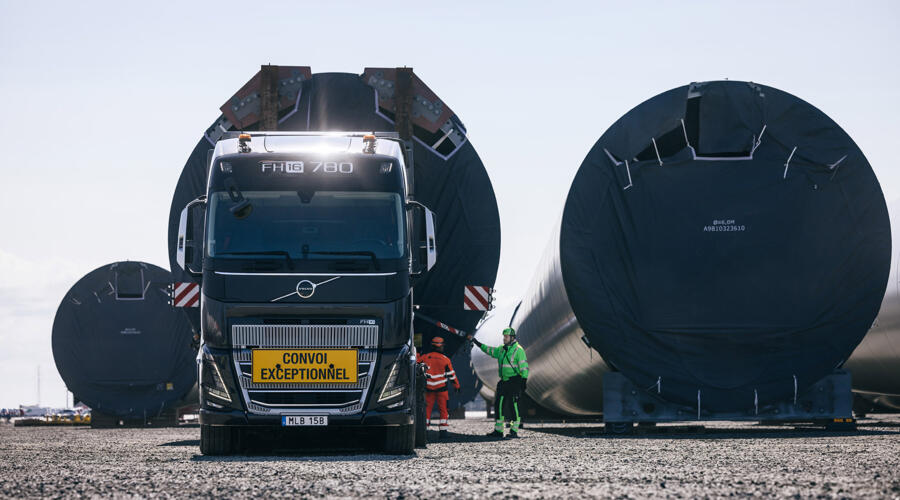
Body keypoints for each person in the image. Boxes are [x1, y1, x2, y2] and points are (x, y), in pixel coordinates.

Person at [468, 327, 528, 438]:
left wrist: (523, 382)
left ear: (512, 338)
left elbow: (524, 367)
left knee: (512, 405)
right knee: (498, 405)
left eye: (506, 336)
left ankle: (514, 430)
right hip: (503, 382)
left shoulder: (518, 350)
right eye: (504, 336)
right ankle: (499, 431)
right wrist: (477, 343)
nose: (504, 338)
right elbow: (489, 350)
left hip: (514, 381)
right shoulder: (501, 349)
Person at [417, 336, 460, 439]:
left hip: (428, 389)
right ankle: (443, 432)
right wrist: (457, 386)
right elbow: (451, 375)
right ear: (441, 347)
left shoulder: (424, 357)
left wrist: (417, 353)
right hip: (442, 389)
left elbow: (416, 365)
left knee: (427, 410)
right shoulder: (445, 360)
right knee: (443, 410)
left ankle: (425, 431)